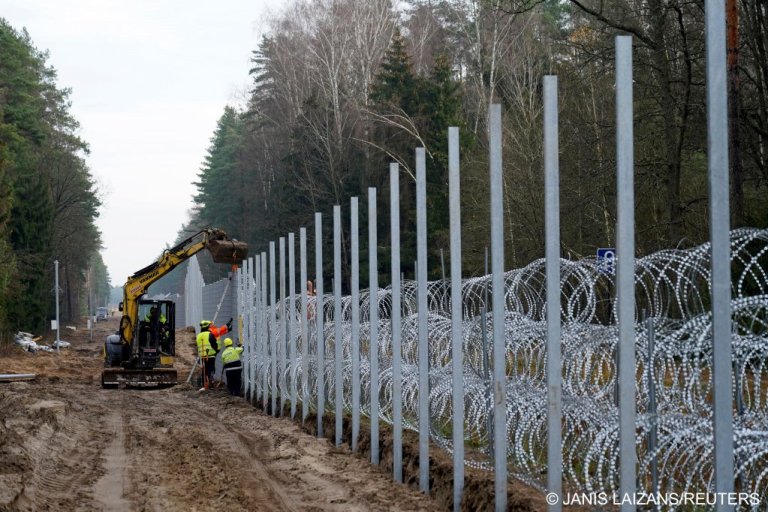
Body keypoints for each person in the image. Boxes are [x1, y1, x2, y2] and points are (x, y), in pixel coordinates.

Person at [196, 320, 219, 388]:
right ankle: (210, 380)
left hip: (203, 355)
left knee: (205, 369)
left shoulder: (199, 335)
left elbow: (198, 345)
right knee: (211, 368)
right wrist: (216, 350)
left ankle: (204, 382)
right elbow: (214, 344)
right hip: (211, 354)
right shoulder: (210, 334)